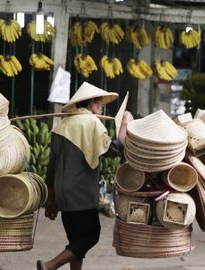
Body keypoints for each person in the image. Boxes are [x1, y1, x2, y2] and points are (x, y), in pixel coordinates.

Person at [37, 82, 133, 270]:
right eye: (99, 102)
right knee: (91, 235)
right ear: (90, 103)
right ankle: (49, 266)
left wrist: (51, 198)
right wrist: (124, 126)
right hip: (80, 193)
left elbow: (51, 167)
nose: (101, 106)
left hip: (63, 192)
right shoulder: (91, 123)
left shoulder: (61, 126)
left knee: (76, 242)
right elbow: (113, 149)